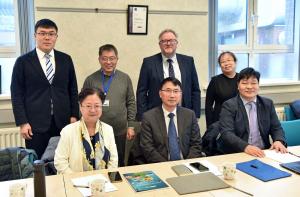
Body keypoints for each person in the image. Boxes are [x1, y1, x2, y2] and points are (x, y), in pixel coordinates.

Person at [10, 19, 79, 158]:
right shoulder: (23, 62)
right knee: (38, 164)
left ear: (56, 37)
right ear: (35, 35)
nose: (47, 37)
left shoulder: (65, 59)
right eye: (42, 33)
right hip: (35, 125)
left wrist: (74, 115)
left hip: (63, 122)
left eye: (51, 34)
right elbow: (16, 94)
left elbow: (73, 89)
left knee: (63, 161)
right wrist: (23, 122)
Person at [83, 44, 136, 167]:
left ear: (117, 59)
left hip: (119, 130)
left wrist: (131, 126)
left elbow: (131, 102)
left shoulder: (125, 78)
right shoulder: (90, 79)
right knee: (97, 163)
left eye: (112, 58)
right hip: (95, 130)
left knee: (118, 161)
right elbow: (83, 104)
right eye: (104, 58)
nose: (108, 62)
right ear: (99, 59)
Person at [217, 67, 287, 157]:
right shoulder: (229, 105)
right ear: (238, 85)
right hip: (238, 152)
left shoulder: (267, 104)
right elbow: (226, 133)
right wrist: (246, 147)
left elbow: (276, 128)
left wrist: (278, 140)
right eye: (245, 83)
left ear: (258, 85)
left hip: (263, 152)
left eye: (253, 83)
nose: (249, 87)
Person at [136, 29, 201, 121]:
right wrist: (143, 117)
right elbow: (141, 92)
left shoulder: (188, 61)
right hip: (156, 116)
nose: (168, 43)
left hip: (184, 114)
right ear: (159, 44)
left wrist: (196, 114)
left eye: (171, 40)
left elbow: (195, 90)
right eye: (164, 41)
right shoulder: (149, 63)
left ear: (176, 43)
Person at [54, 88, 118, 174]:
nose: (93, 110)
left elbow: (113, 160)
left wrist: (106, 179)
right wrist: (76, 180)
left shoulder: (108, 129)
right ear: (80, 107)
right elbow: (60, 162)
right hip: (75, 182)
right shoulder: (68, 131)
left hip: (103, 182)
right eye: (88, 106)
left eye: (97, 106)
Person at [140, 77, 203, 163]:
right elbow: (148, 148)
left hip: (186, 164)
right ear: (160, 94)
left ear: (180, 95)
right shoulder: (148, 117)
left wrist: (187, 164)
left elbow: (196, 144)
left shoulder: (190, 115)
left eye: (176, 91)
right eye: (168, 91)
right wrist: (166, 166)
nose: (172, 95)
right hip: (160, 165)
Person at [205, 51, 239, 128]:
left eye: (229, 60)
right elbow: (208, 106)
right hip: (220, 121)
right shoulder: (215, 81)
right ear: (220, 65)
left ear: (235, 62)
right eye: (223, 62)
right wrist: (210, 126)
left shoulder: (242, 79)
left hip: (240, 120)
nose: (226, 64)